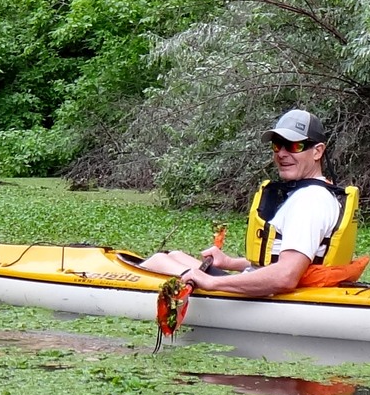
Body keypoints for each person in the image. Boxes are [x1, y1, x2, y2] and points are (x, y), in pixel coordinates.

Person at [140, 109, 345, 297]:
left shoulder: (310, 200)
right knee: (175, 255)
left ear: (317, 151)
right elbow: (285, 260)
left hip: (268, 296)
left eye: (294, 145)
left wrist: (211, 283)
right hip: (265, 286)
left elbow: (286, 276)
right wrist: (230, 263)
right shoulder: (313, 193)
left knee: (158, 261)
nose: (282, 153)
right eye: (277, 145)